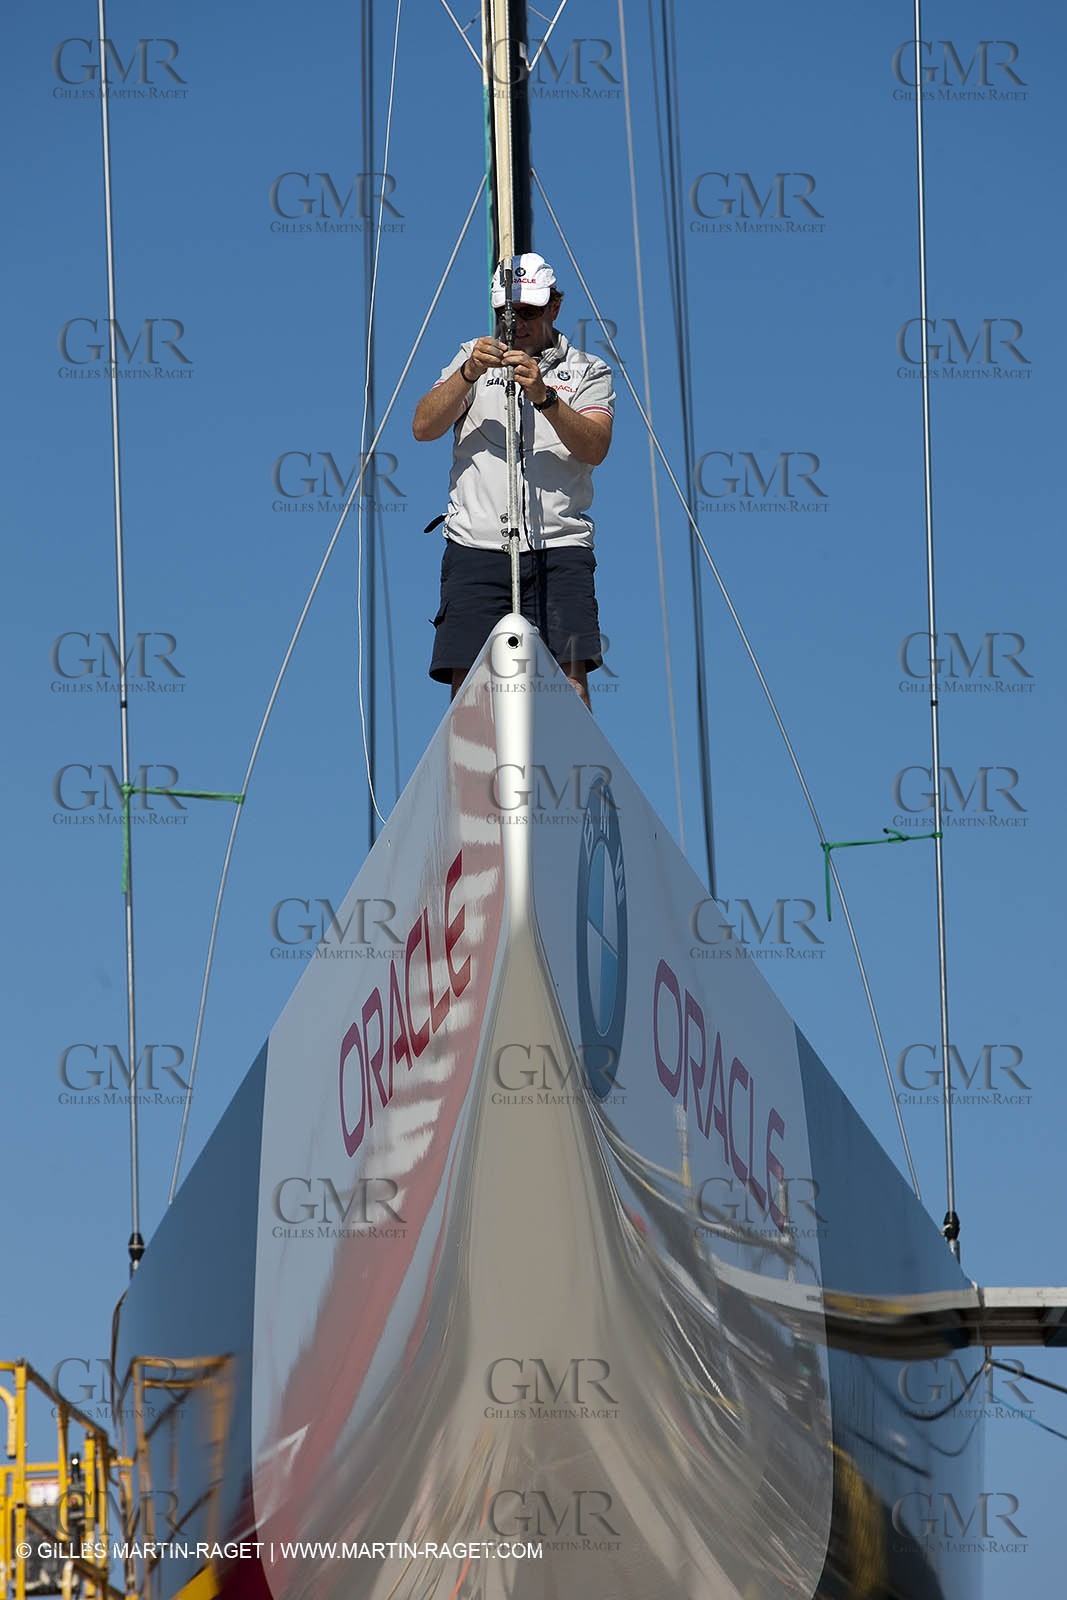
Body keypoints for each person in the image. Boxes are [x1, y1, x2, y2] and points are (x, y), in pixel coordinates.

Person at [412, 253, 614, 709]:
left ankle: (569, 767)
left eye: (528, 312)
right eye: (506, 313)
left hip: (558, 547)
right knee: (467, 690)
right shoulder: (470, 358)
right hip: (475, 546)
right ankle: (471, 772)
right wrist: (467, 375)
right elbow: (423, 427)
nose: (516, 323)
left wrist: (545, 397)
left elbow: (595, 447)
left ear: (554, 308)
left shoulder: (587, 370)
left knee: (570, 682)